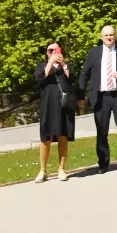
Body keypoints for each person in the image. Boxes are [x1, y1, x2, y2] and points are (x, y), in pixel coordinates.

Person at [78, 24, 117, 172]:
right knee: (102, 131)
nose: (109, 38)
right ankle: (103, 163)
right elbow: (85, 73)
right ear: (101, 37)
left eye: (111, 35)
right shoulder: (94, 53)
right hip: (101, 98)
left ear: (115, 36)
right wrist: (80, 96)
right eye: (106, 35)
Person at [34, 41, 76, 182]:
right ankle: (42, 170)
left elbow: (71, 80)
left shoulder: (66, 65)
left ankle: (61, 169)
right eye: (50, 50)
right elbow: (40, 79)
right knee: (46, 137)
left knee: (63, 136)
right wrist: (50, 63)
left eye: (55, 49)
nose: (53, 52)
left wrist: (63, 65)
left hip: (64, 106)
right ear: (46, 53)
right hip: (48, 106)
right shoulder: (42, 66)